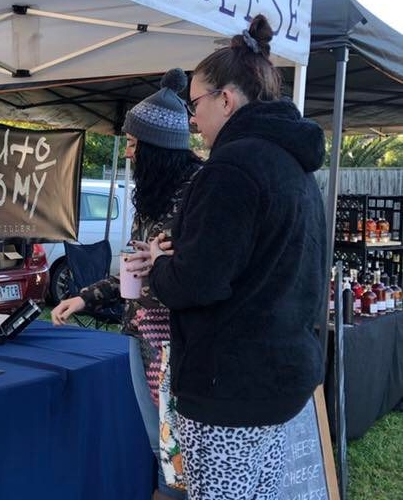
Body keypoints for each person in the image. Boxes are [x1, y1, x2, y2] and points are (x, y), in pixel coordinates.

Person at [148, 15, 327, 500]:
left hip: (229, 387)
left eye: (195, 104)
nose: (192, 118)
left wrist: (159, 267)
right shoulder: (295, 168)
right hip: (280, 380)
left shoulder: (231, 169)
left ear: (225, 99)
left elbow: (198, 281)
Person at [52, 68, 201, 500]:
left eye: (134, 144)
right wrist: (83, 296)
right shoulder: (152, 194)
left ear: (157, 147)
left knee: (177, 453)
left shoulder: (200, 193)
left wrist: (158, 267)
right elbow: (133, 271)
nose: (129, 153)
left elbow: (193, 276)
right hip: (140, 334)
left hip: (179, 343)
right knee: (160, 446)